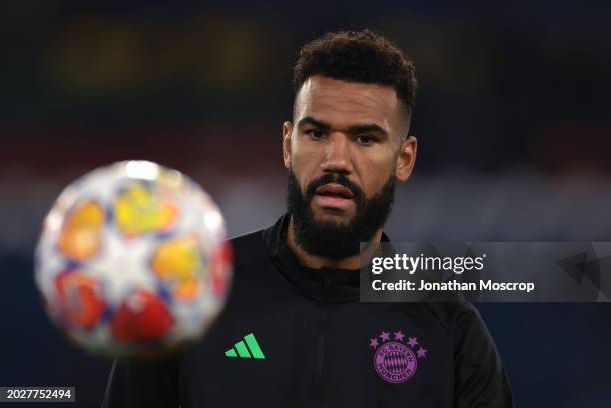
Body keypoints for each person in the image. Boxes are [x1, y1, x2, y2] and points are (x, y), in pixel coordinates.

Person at [103, 29, 514, 407]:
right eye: (316, 134)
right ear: (288, 144)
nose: (336, 160)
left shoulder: (450, 328)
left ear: (403, 159)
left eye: (364, 138)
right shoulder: (188, 297)